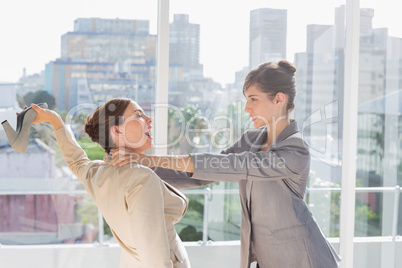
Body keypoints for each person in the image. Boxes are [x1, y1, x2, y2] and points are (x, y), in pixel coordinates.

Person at [112, 60, 342, 268]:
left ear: (279, 99)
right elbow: (205, 172)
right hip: (267, 259)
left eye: (253, 99)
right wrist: (141, 171)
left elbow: (234, 165)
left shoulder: (296, 150)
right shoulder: (252, 139)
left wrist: (150, 158)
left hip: (305, 258)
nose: (247, 108)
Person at [30, 98, 191, 268]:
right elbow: (154, 257)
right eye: (138, 115)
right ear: (117, 131)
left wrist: (56, 121)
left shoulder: (99, 173)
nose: (149, 119)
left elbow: (76, 161)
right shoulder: (142, 178)